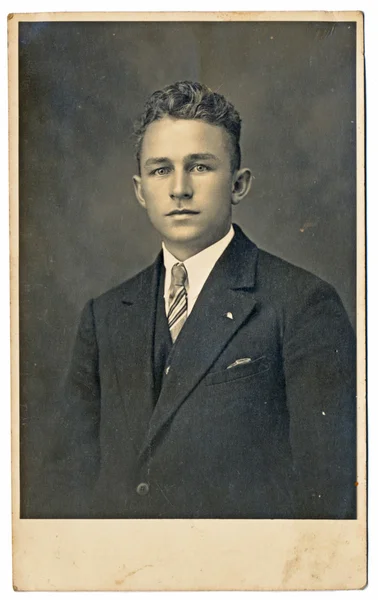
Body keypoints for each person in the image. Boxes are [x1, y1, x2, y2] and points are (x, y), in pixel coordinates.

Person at [48, 81, 356, 519]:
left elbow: (331, 496)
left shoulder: (302, 304)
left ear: (239, 184)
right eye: (160, 170)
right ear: (140, 190)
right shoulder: (105, 314)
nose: (179, 189)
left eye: (199, 167)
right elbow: (66, 484)